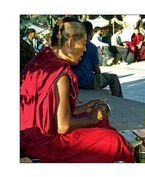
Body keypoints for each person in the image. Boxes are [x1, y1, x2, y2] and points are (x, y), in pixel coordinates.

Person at [20, 16, 134, 163]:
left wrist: (82, 109)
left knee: (101, 122)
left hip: (27, 135)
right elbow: (63, 126)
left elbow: (47, 110)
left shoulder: (41, 59)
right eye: (84, 44)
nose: (85, 50)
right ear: (71, 42)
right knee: (114, 140)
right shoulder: (59, 74)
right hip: (43, 144)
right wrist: (91, 118)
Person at [72, 21, 124, 98]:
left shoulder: (73, 45)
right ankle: (119, 100)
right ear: (90, 32)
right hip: (86, 82)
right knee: (113, 77)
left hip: (74, 81)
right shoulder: (91, 47)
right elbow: (97, 69)